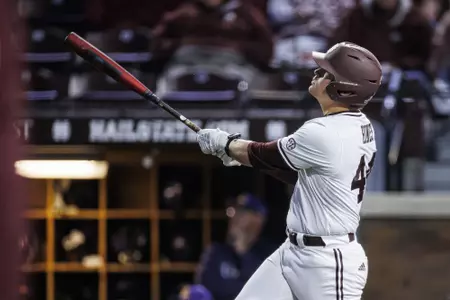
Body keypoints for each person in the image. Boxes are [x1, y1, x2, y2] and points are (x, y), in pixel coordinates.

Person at [196, 42, 381, 299]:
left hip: (329, 263)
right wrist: (235, 154)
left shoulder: (324, 132)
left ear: (344, 89)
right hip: (293, 251)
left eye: (326, 73)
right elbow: (299, 175)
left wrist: (225, 144)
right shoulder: (363, 126)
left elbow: (261, 153)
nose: (317, 74)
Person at [195, 194, 274, 300]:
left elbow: (261, 292)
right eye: (233, 211)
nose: (233, 217)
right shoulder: (215, 252)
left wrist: (243, 251)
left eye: (242, 213)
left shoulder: (269, 256)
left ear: (258, 220)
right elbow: (204, 287)